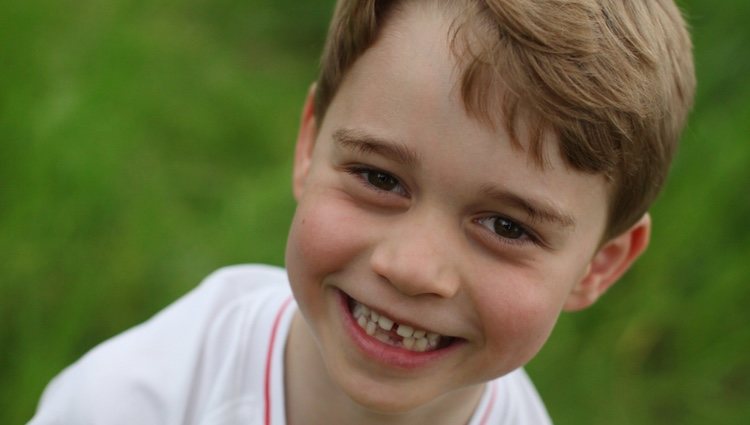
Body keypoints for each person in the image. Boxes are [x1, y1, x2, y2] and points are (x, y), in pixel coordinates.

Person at [29, 0, 695, 423]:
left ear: (597, 266)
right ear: (309, 143)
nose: (411, 268)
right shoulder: (129, 401)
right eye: (380, 177)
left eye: (506, 226)